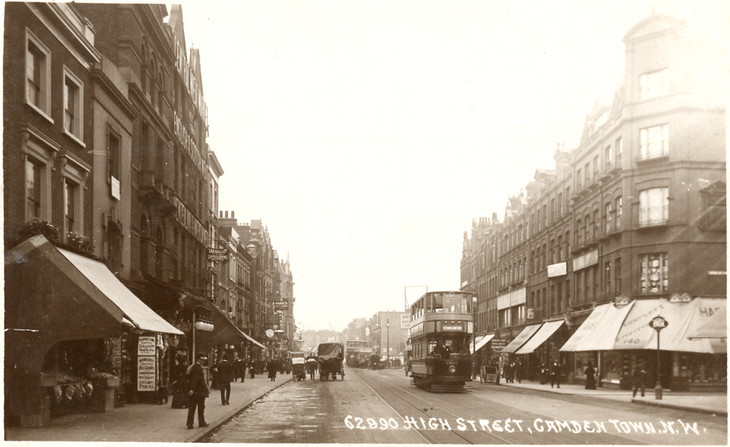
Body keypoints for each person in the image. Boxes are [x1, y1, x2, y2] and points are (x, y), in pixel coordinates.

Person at [186, 353, 209, 429]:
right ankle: (197, 423)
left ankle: (193, 423)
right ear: (199, 359)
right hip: (198, 391)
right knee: (199, 407)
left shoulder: (196, 366)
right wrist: (192, 389)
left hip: (197, 391)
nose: (204, 361)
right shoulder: (197, 368)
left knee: (194, 407)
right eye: (203, 360)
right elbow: (194, 380)